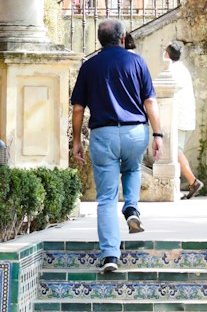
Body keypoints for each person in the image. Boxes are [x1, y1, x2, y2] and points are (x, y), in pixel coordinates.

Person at [70, 19, 164, 273]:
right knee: (133, 169)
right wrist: (158, 134)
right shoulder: (137, 62)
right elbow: (150, 103)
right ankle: (132, 206)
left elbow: (78, 108)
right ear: (123, 38)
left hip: (104, 135)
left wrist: (77, 140)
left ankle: (110, 255)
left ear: (100, 40)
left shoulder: (89, 66)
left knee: (106, 199)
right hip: (135, 132)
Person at [164, 40, 203, 198]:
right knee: (175, 151)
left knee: (175, 151)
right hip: (186, 117)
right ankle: (187, 182)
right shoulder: (182, 69)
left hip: (178, 118)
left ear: (167, 54)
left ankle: (193, 181)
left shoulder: (172, 70)